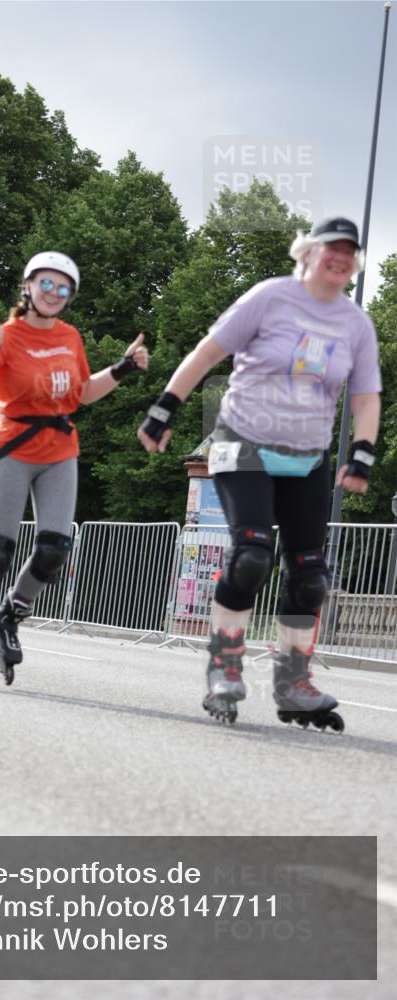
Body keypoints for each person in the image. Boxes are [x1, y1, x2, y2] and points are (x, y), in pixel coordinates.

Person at [138, 217, 382, 729]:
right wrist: (164, 408)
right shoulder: (269, 297)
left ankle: (293, 682)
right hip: (244, 442)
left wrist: (362, 451)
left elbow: (365, 395)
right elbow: (208, 352)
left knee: (310, 576)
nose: (340, 258)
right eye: (331, 249)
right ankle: (224, 664)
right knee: (251, 556)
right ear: (308, 252)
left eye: (349, 252)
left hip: (306, 457)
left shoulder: (355, 324)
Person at [0, 251, 148, 686]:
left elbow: (82, 393)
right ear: (28, 287)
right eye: (46, 284)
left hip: (59, 450)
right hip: (13, 448)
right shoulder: (6, 335)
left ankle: (9, 616)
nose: (54, 293)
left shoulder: (70, 337)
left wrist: (124, 367)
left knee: (55, 549)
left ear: (70, 296)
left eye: (63, 287)